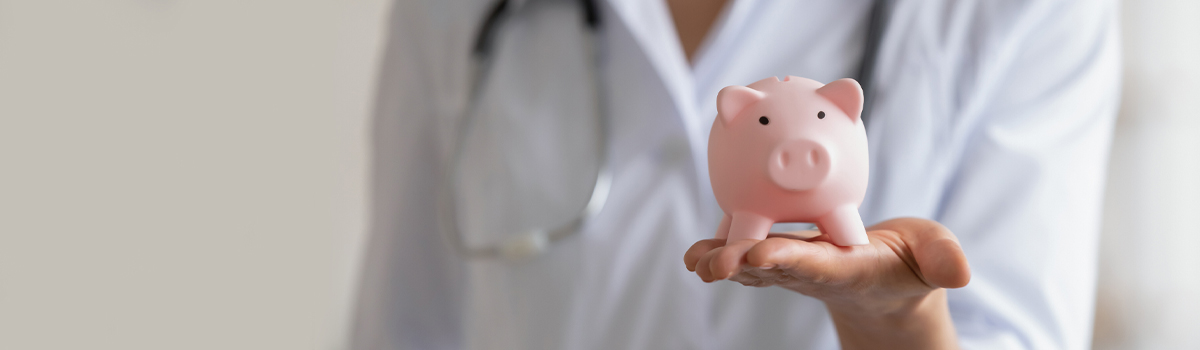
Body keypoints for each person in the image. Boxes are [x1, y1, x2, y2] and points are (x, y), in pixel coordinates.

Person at [352, 0, 1120, 349]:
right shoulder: (450, 13)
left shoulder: (1031, 12)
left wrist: (895, 326)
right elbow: (407, 325)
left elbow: (1019, 333)